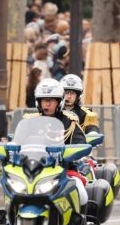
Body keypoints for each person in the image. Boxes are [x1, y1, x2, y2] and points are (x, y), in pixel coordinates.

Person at [24, 78, 88, 207]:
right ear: (38, 102)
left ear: (59, 102)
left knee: (80, 191)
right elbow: (18, 142)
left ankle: (80, 223)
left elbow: (80, 142)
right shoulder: (29, 122)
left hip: (63, 169)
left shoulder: (69, 121)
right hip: (34, 170)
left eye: (51, 100)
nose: (47, 104)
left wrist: (75, 154)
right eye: (44, 100)